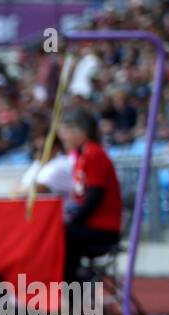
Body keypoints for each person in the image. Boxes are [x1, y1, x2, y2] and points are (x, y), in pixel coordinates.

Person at [58, 109, 122, 282]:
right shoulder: (82, 156)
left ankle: (73, 284)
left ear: (81, 131)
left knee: (62, 234)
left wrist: (74, 220)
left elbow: (94, 197)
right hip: (90, 225)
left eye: (66, 132)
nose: (63, 137)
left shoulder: (94, 155)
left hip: (103, 229)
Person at [11, 136, 74, 203]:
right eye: (35, 149)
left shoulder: (60, 164)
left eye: (42, 149)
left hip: (66, 207)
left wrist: (20, 189)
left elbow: (36, 189)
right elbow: (16, 187)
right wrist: (19, 189)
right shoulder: (38, 163)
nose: (37, 153)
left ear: (55, 148)